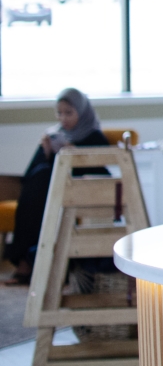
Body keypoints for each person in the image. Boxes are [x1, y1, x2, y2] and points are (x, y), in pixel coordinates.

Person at [4, 88, 108, 284]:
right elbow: (30, 174)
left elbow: (101, 171)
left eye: (69, 112)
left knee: (40, 184)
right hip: (46, 192)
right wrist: (46, 152)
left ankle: (29, 264)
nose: (63, 118)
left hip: (74, 190)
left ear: (81, 111)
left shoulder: (94, 136)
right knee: (39, 179)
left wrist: (75, 154)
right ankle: (28, 261)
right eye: (59, 113)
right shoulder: (55, 135)